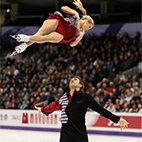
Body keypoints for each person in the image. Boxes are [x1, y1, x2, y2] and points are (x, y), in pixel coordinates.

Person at [35, 76, 129, 142]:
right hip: (65, 133)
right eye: (72, 79)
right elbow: (53, 106)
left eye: (76, 79)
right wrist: (42, 110)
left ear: (80, 85)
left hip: (79, 133)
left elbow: (100, 110)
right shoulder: (63, 97)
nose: (72, 80)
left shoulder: (85, 97)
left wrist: (117, 119)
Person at [10, 0, 94, 56]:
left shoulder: (79, 33)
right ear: (86, 21)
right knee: (39, 35)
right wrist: (75, 13)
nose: (87, 29)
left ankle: (24, 39)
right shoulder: (76, 17)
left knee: (46, 38)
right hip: (57, 23)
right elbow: (63, 8)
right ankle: (24, 45)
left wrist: (81, 36)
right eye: (89, 27)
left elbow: (72, 44)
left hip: (61, 34)